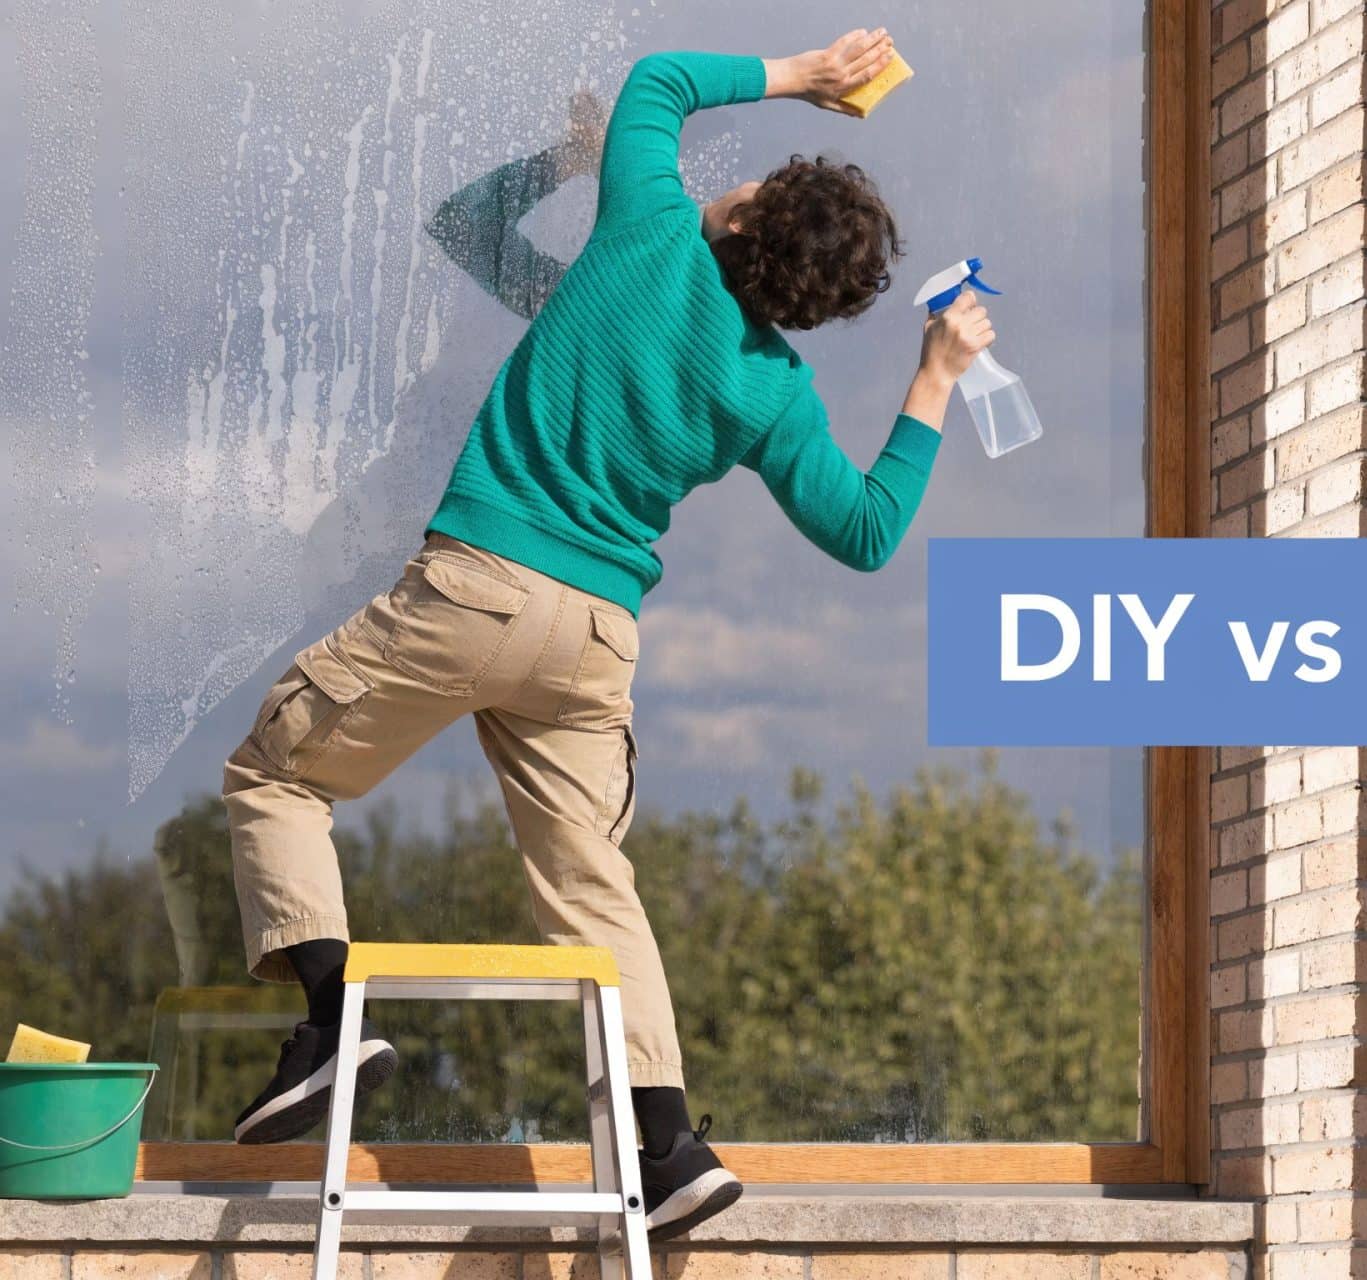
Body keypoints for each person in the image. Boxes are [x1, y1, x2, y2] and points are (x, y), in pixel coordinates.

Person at [217, 27, 992, 1240]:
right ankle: (669, 1140)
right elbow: (866, 529)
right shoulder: (771, 390)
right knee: (589, 884)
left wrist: (804, 77)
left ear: (740, 223)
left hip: (477, 585)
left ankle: (326, 1013)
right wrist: (935, 379)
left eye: (749, 186)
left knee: (274, 771)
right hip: (590, 646)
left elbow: (663, 85)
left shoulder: (648, 232)